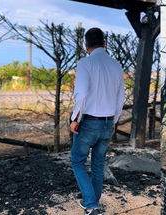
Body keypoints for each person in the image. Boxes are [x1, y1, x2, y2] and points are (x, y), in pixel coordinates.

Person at [70, 27, 124, 215]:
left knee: (77, 161)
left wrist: (75, 118)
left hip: (89, 122)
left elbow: (82, 94)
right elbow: (120, 99)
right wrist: (113, 121)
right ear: (104, 43)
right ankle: (93, 203)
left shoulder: (85, 63)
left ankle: (91, 204)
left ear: (86, 46)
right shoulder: (116, 65)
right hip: (108, 122)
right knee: (98, 164)